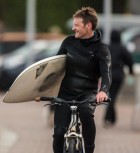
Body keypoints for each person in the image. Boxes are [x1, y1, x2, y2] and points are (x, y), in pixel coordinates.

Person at [53, 7, 112, 153]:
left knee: (86, 113)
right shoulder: (68, 42)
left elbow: (107, 74)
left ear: (88, 26)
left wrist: (103, 91)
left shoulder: (101, 49)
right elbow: (54, 66)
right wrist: (40, 87)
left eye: (77, 25)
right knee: (59, 133)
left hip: (88, 94)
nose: (73, 28)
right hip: (66, 93)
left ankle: (89, 150)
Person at [103, 30, 134, 127]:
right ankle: (109, 118)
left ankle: (111, 118)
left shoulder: (106, 48)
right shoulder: (122, 48)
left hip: (107, 76)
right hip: (118, 76)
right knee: (113, 96)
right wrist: (131, 71)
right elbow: (129, 60)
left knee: (110, 96)